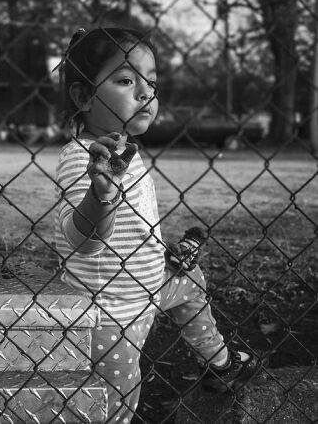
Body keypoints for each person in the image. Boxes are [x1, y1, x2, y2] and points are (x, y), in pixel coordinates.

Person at [53, 28, 262, 422]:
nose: (145, 92)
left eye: (152, 82)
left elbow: (136, 224)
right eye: (126, 80)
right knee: (119, 399)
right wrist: (100, 195)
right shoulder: (82, 155)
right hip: (112, 310)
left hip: (150, 284)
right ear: (83, 97)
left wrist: (158, 251)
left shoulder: (126, 151)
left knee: (191, 280)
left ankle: (219, 364)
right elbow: (83, 241)